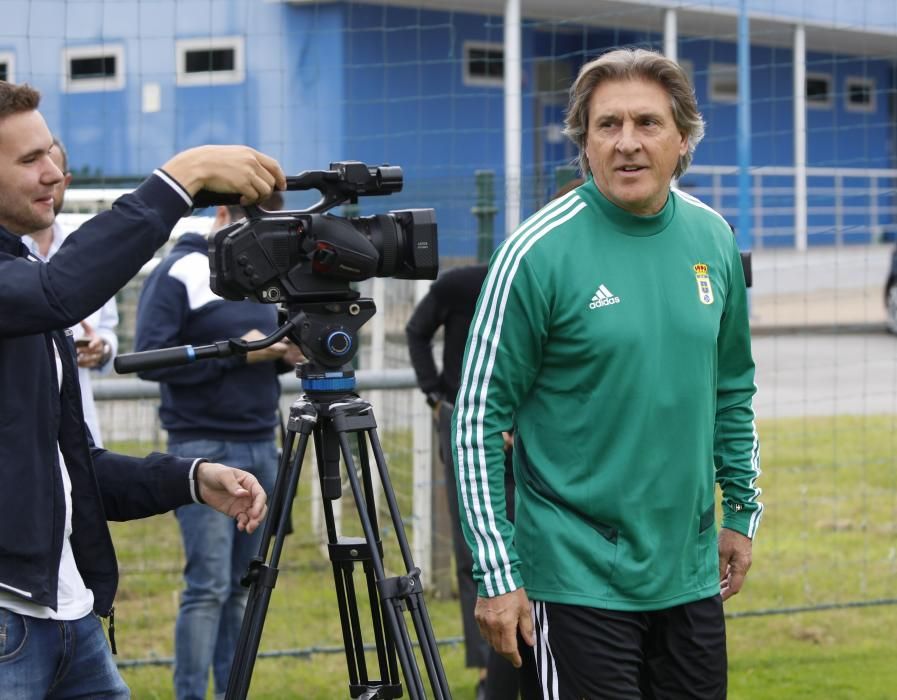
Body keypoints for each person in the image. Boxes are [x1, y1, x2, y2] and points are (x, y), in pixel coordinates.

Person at [453, 48, 762, 699]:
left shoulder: (713, 240)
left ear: (682, 139)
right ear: (583, 143)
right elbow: (477, 420)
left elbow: (731, 389)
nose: (627, 143)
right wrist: (496, 571)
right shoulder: (535, 253)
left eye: (647, 124)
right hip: (576, 573)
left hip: (687, 566)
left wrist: (740, 510)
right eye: (607, 125)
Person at [0, 79, 284, 698]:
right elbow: (62, 294)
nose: (54, 173)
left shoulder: (21, 273)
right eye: (29, 160)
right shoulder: (31, 289)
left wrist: (188, 478)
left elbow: (65, 470)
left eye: (52, 152)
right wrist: (182, 177)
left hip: (69, 619)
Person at [134, 199, 303, 700]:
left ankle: (234, 691)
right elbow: (149, 358)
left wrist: (280, 354)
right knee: (207, 589)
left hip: (261, 443)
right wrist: (238, 352)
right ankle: (190, 695)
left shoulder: (262, 274)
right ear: (224, 216)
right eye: (256, 229)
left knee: (242, 588)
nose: (264, 244)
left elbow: (257, 353)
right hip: (203, 446)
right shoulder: (179, 270)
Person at [406, 263, 520, 700]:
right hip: (464, 424)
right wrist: (436, 394)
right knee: (476, 551)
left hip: (528, 427)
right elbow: (416, 331)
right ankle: (491, 669)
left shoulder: (543, 283)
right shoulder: (461, 284)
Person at [22, 136, 119, 446]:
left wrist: (101, 348)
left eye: (54, 173)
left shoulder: (89, 254)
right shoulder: (9, 256)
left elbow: (108, 329)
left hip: (79, 427)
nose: (46, 180)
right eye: (30, 165)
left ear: (65, 181)